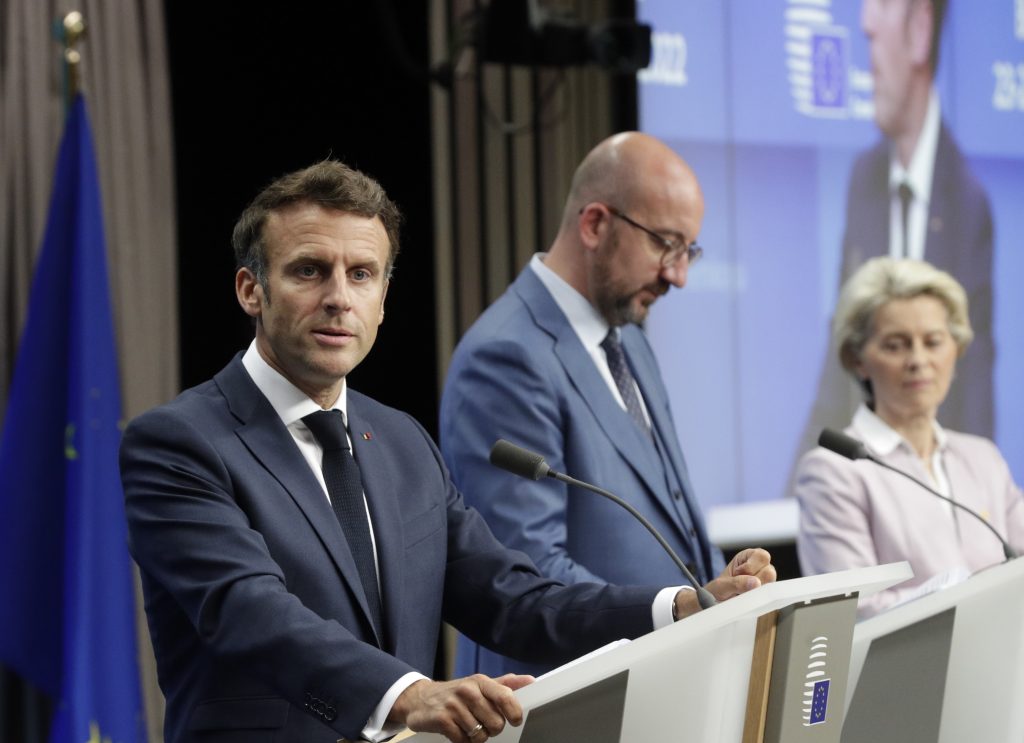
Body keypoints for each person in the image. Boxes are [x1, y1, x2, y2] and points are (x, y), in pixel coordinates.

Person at [120, 160, 775, 743]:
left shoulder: (402, 441)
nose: (339, 298)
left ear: (383, 299)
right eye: (309, 271)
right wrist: (410, 694)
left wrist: (681, 605)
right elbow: (248, 612)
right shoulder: (178, 444)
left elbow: (512, 599)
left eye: (362, 274)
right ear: (250, 290)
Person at [439, 132, 774, 678]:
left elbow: (670, 510)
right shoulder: (505, 357)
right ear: (595, 224)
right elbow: (527, 578)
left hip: (664, 681)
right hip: (565, 696)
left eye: (689, 251)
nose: (678, 275)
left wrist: (723, 584)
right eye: (666, 245)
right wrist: (679, 609)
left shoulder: (628, 337)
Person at [797, 0, 994, 474]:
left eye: (883, 4)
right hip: (863, 469)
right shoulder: (864, 179)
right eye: (896, 345)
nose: (866, 21)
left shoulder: (968, 200)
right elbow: (836, 367)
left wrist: (964, 479)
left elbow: (977, 391)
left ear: (921, 29)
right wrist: (800, 479)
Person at [795, 257, 1024, 618]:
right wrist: (969, 601)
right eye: (895, 345)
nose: (918, 360)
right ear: (857, 358)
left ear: (956, 349)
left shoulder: (983, 458)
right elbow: (854, 611)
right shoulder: (833, 471)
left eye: (933, 342)